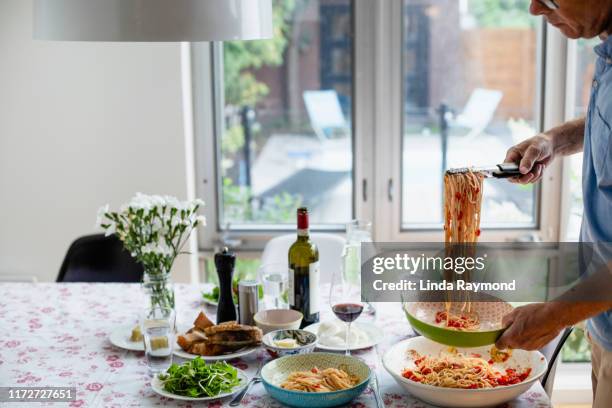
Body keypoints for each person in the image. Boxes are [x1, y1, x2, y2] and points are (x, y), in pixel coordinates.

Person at [495, 1, 612, 406]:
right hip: (603, 320)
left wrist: (556, 315)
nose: (534, 8)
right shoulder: (608, 46)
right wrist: (554, 141)